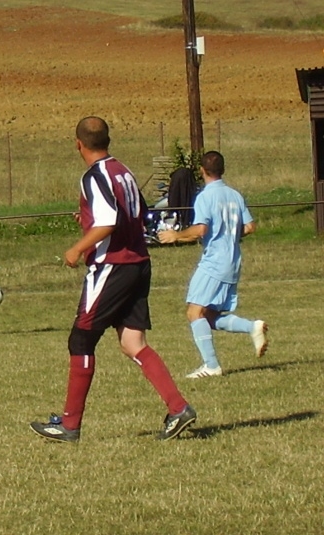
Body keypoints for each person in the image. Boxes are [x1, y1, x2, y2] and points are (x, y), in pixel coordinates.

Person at [30, 116, 196, 443]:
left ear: (78, 143)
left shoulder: (94, 176)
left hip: (112, 266)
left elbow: (107, 222)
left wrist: (77, 249)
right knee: (133, 343)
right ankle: (178, 408)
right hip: (138, 262)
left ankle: (70, 425)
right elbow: (134, 214)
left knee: (80, 341)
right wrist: (89, 219)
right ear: (108, 140)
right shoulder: (123, 171)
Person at [158, 151, 267, 378]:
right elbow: (249, 227)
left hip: (214, 262)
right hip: (233, 261)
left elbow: (201, 229)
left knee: (194, 312)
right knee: (208, 316)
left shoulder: (205, 197)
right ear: (222, 170)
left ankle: (211, 365)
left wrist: (175, 236)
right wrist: (229, 235)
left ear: (202, 171)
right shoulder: (235, 195)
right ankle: (252, 327)